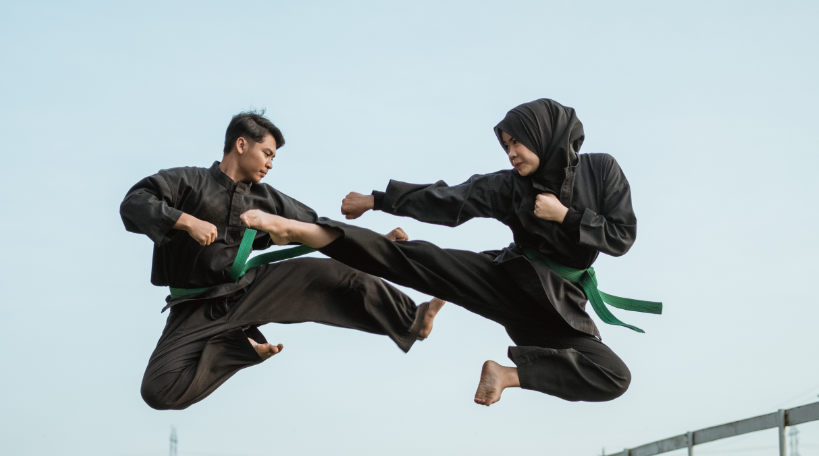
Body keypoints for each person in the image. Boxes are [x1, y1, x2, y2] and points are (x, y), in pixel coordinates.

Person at [242, 99, 658, 406]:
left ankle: (508, 375)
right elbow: (450, 200)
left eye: (517, 144)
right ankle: (306, 232)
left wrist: (565, 215)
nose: (510, 154)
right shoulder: (510, 186)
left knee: (614, 376)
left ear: (543, 136)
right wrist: (378, 200)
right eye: (506, 146)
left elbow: (622, 236)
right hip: (511, 279)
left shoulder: (602, 170)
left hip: (559, 306)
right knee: (419, 260)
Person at [120, 111, 445, 410]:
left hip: (249, 289)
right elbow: (135, 201)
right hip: (194, 306)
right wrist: (186, 221)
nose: (271, 164)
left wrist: (376, 242)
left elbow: (318, 228)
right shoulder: (188, 181)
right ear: (241, 144)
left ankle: (415, 319)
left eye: (273, 157)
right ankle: (238, 347)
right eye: (268, 153)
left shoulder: (267, 199)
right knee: (158, 390)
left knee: (333, 274)